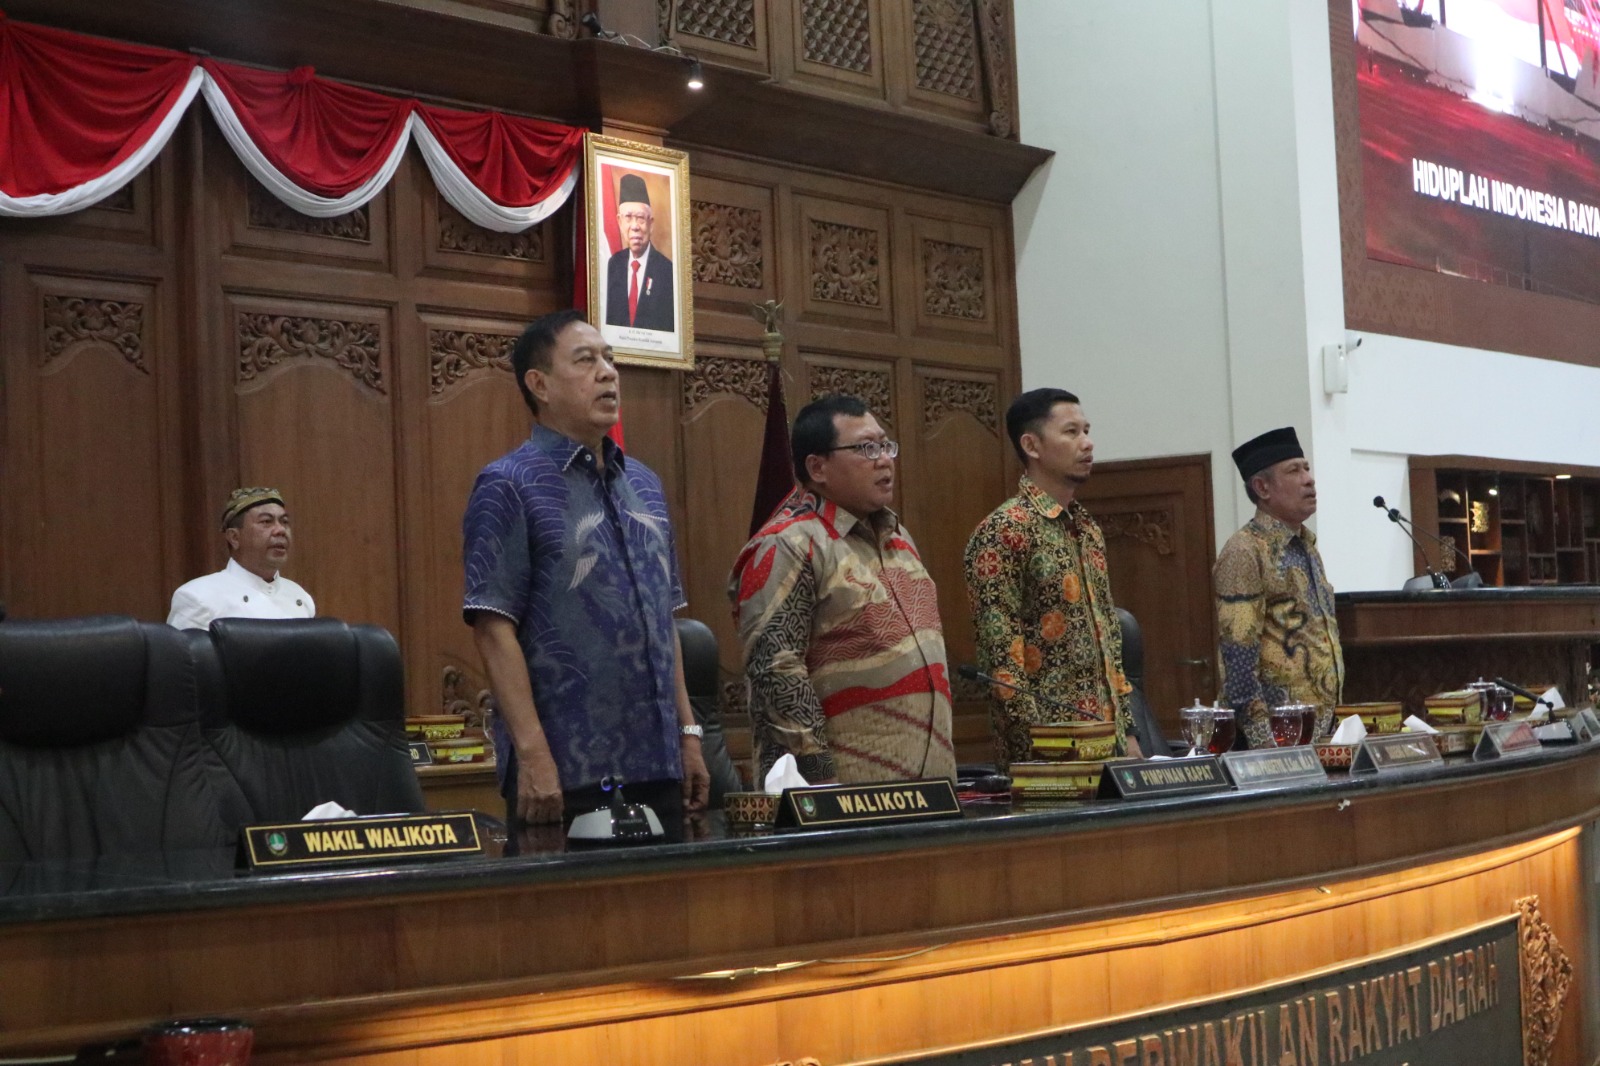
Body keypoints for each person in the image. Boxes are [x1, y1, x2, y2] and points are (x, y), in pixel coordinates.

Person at [462, 309, 708, 828]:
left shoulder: (644, 484)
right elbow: (492, 627)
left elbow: (663, 621)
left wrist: (688, 735)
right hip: (566, 771)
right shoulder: (509, 484)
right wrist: (533, 754)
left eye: (610, 359)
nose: (608, 372)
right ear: (539, 384)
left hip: (659, 763)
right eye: (586, 360)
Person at [729, 393, 956, 786]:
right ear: (817, 467)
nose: (884, 460)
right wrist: (820, 782)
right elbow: (777, 673)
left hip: (929, 786)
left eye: (885, 445)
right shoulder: (788, 544)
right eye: (866, 448)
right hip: (843, 793)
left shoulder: (899, 539)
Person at [963, 389, 1138, 769]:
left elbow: (1108, 640)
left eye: (1087, 430)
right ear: (1032, 445)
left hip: (1110, 746)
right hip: (1049, 759)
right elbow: (1002, 664)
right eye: (1071, 432)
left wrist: (1129, 733)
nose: (1087, 443)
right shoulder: (1003, 531)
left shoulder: (1087, 528)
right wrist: (1042, 753)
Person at [1214, 426, 1344, 748]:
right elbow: (1238, 660)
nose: (1309, 479)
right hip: (1270, 741)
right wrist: (1266, 743)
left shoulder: (1306, 547)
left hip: (1317, 735)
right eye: (1294, 471)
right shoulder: (1245, 550)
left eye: (1307, 468)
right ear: (1262, 487)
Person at [167, 488, 315, 630]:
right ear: (234, 537)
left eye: (284, 522)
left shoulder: (299, 596)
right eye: (266, 522)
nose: (280, 530)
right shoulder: (198, 597)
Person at [603, 174, 675, 332]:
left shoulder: (667, 272)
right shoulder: (612, 266)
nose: (634, 226)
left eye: (640, 218)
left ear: (651, 224)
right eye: (628, 217)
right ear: (619, 222)